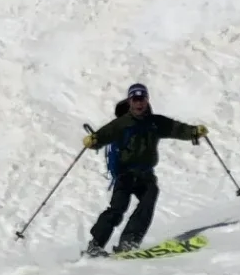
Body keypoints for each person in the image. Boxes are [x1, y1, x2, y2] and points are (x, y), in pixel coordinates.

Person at [80, 83, 207, 255]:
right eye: (135, 99)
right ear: (130, 101)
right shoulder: (121, 124)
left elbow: (176, 128)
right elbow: (103, 136)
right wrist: (93, 141)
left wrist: (193, 132)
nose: (139, 103)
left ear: (147, 100)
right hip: (125, 174)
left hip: (145, 174)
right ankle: (95, 245)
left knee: (149, 198)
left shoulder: (155, 123)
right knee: (117, 208)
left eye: (142, 99)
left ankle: (128, 242)